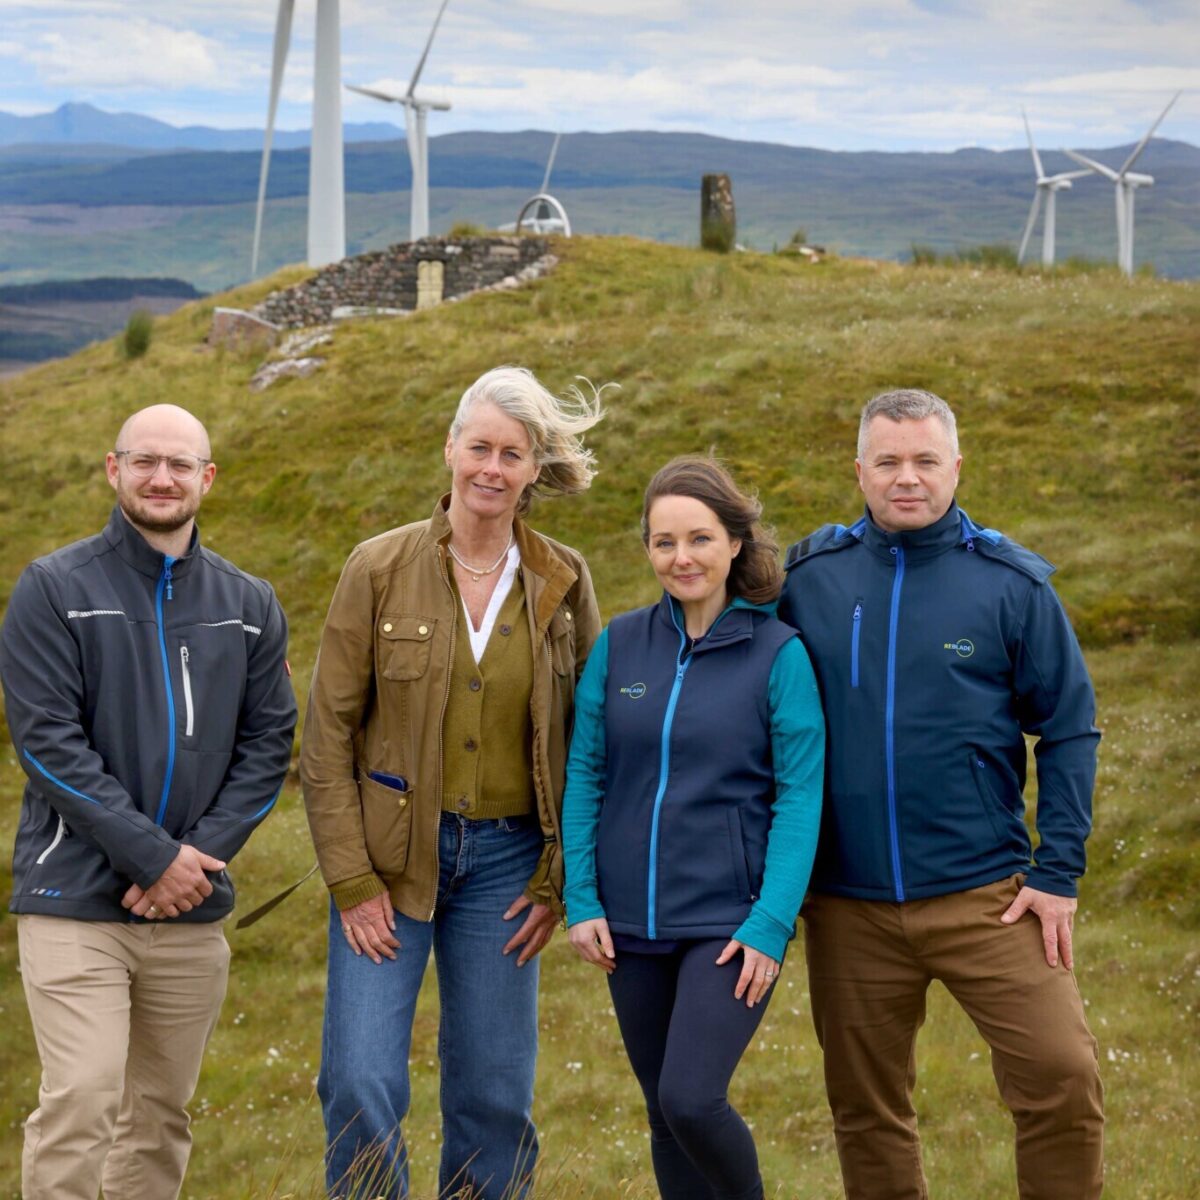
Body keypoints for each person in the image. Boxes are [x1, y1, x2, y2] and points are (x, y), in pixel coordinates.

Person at [778, 388, 1104, 1200]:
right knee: (866, 1108)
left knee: (1063, 1079)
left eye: (925, 460)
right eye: (887, 461)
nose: (907, 478)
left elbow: (1068, 729)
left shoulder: (1011, 585)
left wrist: (1057, 873)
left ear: (957, 465)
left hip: (989, 896)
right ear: (860, 469)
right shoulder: (806, 579)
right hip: (846, 906)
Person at [300, 365, 605, 1200]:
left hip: (510, 869)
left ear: (534, 467)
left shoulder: (565, 579)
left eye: (512, 453)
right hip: (391, 865)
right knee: (359, 1081)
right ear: (450, 449)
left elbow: (590, 743)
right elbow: (325, 737)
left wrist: (558, 878)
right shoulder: (378, 567)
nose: (492, 469)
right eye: (479, 447)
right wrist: (351, 879)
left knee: (494, 1097)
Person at [0, 404, 297, 1200]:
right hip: (74, 901)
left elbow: (269, 744)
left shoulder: (249, 602)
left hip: (189, 910)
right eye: (144, 462)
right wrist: (153, 857)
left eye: (179, 464)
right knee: (84, 1098)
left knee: (161, 1116)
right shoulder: (54, 588)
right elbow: (46, 743)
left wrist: (192, 862)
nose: (160, 478)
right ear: (114, 469)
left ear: (207, 478)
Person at [563, 456, 825, 1200]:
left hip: (728, 923)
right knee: (661, 1115)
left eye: (700, 539)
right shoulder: (620, 645)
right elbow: (587, 772)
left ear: (736, 542)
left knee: (691, 1099)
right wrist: (583, 899)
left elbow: (801, 797)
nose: (682, 558)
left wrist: (770, 923)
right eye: (663, 542)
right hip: (630, 921)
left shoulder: (780, 654)